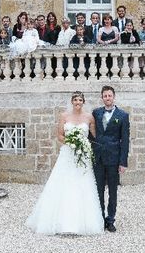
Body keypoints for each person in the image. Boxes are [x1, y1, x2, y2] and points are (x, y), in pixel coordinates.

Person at [26, 91, 104, 235]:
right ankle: (59, 222)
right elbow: (60, 136)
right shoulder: (64, 116)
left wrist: (84, 144)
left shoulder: (89, 117)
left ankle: (84, 223)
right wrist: (72, 142)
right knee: (63, 182)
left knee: (82, 183)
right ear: (72, 102)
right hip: (68, 154)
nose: (78, 102)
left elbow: (95, 136)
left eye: (80, 100)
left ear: (83, 102)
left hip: (83, 156)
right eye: (75, 100)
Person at [92, 86, 130, 232]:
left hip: (114, 159)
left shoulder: (123, 115)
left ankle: (111, 220)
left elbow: (125, 140)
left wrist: (123, 162)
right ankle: (100, 218)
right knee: (99, 190)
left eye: (109, 95)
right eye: (105, 96)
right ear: (102, 98)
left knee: (113, 191)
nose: (107, 98)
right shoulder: (96, 113)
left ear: (114, 97)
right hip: (99, 158)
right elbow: (91, 133)